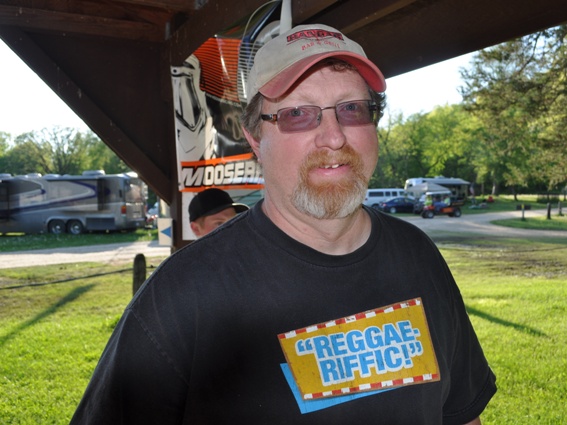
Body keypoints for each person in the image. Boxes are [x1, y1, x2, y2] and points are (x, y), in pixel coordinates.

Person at [70, 23, 496, 424]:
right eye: (298, 114)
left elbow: (460, 414)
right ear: (255, 138)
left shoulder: (418, 256)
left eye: (351, 109)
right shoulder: (182, 297)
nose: (334, 136)